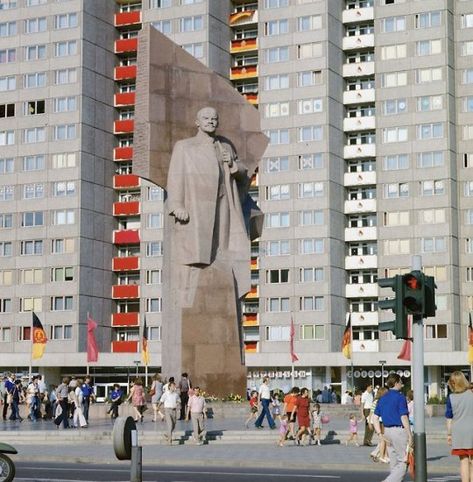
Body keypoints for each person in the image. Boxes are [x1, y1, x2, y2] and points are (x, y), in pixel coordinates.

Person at [372, 373, 412, 482]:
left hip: (387, 431)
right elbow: (403, 417)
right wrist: (409, 434)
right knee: (404, 461)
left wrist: (380, 434)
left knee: (393, 462)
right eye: (401, 382)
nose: (402, 384)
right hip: (399, 431)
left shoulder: (382, 398)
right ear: (396, 383)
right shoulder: (400, 397)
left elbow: (374, 418)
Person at [445, 371, 473, 482]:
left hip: (459, 432)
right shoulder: (472, 394)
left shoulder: (451, 398)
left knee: (463, 461)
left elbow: (449, 418)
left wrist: (449, 434)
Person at [369, 386, 389, 464]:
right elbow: (372, 413)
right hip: (380, 422)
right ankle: (382, 456)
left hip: (380, 422)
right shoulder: (378, 401)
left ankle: (378, 454)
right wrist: (370, 423)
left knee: (384, 440)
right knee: (383, 440)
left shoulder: (379, 401)